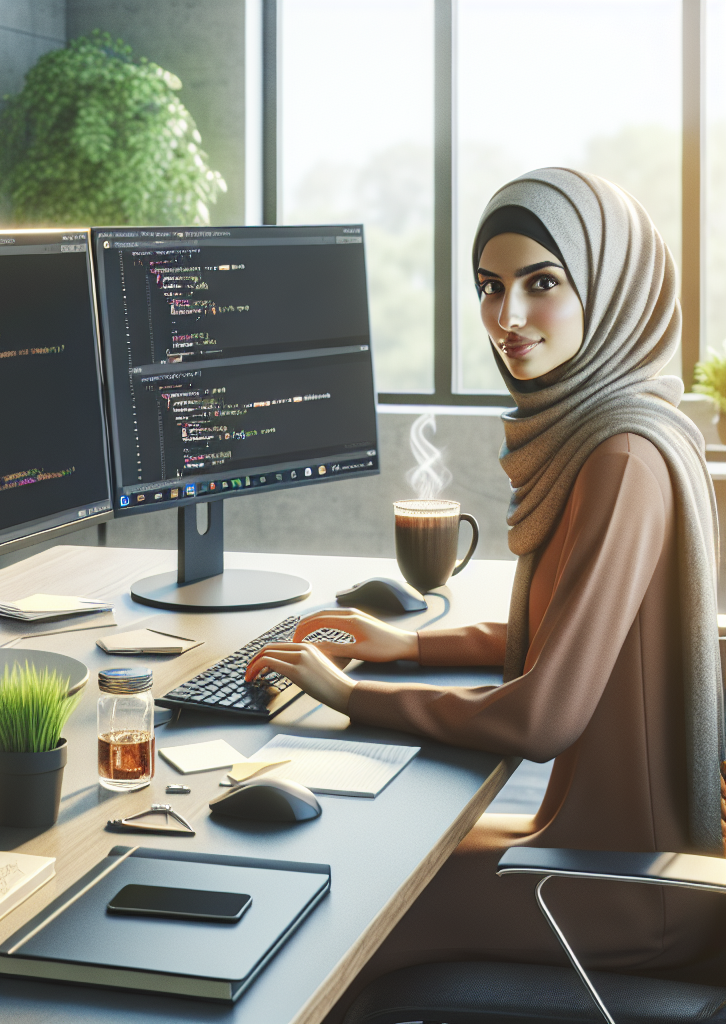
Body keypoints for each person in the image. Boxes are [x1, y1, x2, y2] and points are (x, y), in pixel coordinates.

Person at [245, 168, 726, 992]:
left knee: (319, 923)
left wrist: (352, 695)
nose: (507, 317)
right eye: (489, 286)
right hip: (602, 848)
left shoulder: (623, 457)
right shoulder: (627, 423)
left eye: (543, 283)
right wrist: (408, 644)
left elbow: (544, 716)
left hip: (626, 888)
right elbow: (580, 635)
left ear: (611, 290)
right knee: (350, 855)